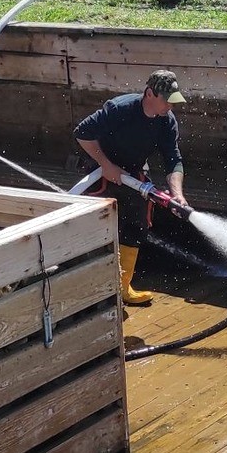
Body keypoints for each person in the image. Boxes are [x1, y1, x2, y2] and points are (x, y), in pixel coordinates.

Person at [74, 70, 190, 308]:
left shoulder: (166, 121)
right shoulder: (120, 109)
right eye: (166, 99)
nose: (170, 105)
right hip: (98, 172)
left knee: (136, 224)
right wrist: (106, 165)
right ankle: (92, 291)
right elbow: (82, 133)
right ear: (150, 93)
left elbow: (173, 160)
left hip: (133, 174)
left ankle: (122, 288)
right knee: (97, 225)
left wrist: (177, 193)